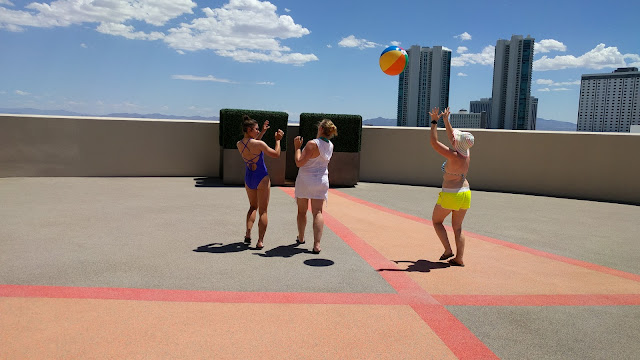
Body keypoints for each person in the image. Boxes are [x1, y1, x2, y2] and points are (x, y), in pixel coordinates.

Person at [428, 107, 475, 267]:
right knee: (458, 227)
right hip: (465, 192)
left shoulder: (453, 155)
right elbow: (452, 138)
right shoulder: (466, 153)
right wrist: (446, 121)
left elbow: (434, 143)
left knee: (437, 221)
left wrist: (434, 122)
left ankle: (448, 250)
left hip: (451, 194)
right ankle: (459, 258)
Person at [236, 115, 284, 250]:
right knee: (263, 211)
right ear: (250, 129)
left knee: (252, 207)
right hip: (261, 177)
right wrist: (278, 140)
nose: (258, 131)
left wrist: (263, 131)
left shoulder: (239, 144)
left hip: (249, 177)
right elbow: (276, 154)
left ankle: (247, 234)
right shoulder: (259, 144)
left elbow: (252, 144)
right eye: (256, 129)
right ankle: (260, 241)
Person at [293, 119, 338, 254]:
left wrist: (297, 148)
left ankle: (301, 238)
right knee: (317, 212)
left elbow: (299, 162)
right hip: (321, 180)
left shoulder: (312, 144)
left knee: (302, 211)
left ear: (320, 129)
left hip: (305, 180)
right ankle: (317, 244)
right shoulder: (330, 145)